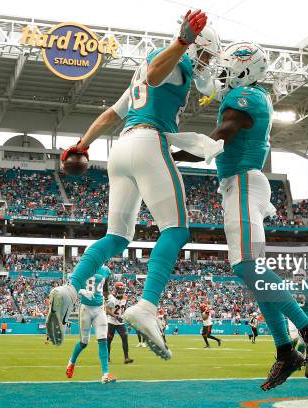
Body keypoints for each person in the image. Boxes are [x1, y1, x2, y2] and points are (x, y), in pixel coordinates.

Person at [46, 10, 221, 363]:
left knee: (117, 237)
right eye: (204, 55)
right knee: (176, 230)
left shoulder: (140, 75)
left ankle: (70, 287)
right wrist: (183, 41)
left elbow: (110, 115)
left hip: (121, 148)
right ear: (195, 46)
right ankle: (147, 306)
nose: (205, 63)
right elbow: (158, 74)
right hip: (148, 142)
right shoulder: (172, 58)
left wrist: (81, 144)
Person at [173, 41, 308, 391]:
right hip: (244, 184)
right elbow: (214, 100)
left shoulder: (246, 100)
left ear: (245, 69)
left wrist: (173, 154)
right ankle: (284, 350)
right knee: (257, 278)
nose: (224, 74)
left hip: (243, 183)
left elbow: (224, 133)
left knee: (247, 266)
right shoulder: (254, 96)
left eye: (229, 67)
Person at [66, 265, 116, 384]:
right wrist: (81, 291)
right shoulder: (84, 265)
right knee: (84, 342)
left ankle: (105, 374)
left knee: (103, 339)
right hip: (85, 309)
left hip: (99, 308)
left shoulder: (105, 270)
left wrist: (110, 296)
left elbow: (105, 289)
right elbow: (71, 285)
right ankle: (71, 363)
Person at [105, 282, 134, 364]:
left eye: (122, 289)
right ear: (116, 289)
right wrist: (115, 316)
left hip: (120, 322)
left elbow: (123, 309)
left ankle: (126, 358)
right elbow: (107, 310)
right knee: (109, 340)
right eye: (119, 289)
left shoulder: (125, 297)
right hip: (111, 321)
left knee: (125, 337)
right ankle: (107, 357)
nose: (121, 291)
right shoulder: (111, 297)